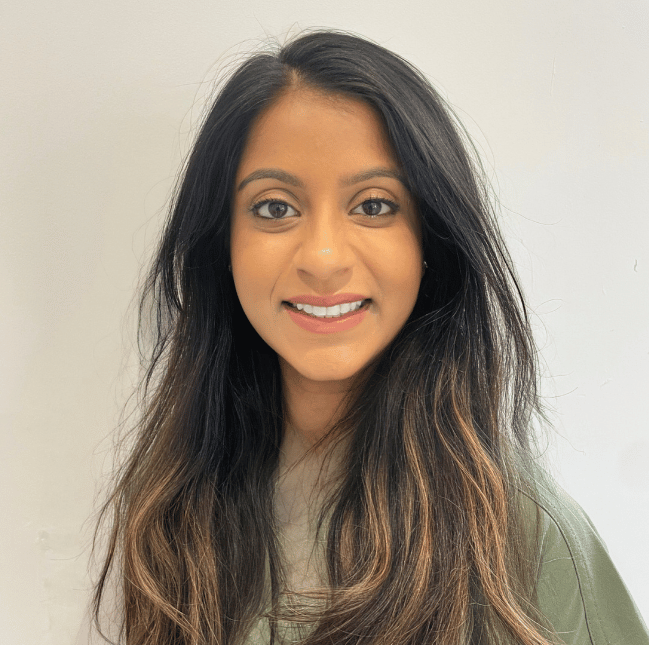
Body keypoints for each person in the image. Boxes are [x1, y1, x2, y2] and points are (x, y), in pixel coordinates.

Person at [89, 30, 649, 645]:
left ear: (431, 240)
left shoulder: (524, 536)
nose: (323, 258)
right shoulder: (172, 505)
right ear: (222, 243)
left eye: (374, 205)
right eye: (274, 207)